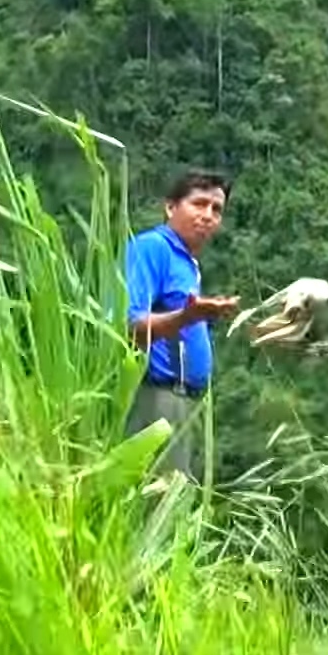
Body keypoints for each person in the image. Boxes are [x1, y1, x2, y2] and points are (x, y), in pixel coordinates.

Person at [122, 169, 242, 483]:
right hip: (157, 397)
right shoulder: (153, 248)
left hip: (183, 401)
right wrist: (187, 317)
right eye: (199, 204)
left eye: (216, 209)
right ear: (171, 207)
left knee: (176, 500)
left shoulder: (187, 263)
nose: (208, 215)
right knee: (157, 501)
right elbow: (129, 325)